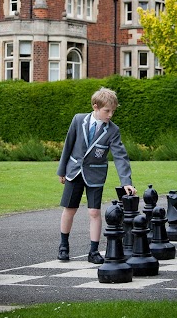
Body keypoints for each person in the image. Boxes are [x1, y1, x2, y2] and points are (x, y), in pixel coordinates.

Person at [57, 87, 136, 264]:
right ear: (95, 107)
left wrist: (126, 182)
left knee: (94, 212)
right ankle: (63, 246)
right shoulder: (78, 120)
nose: (110, 115)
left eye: (113, 111)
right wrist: (61, 171)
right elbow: (68, 144)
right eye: (107, 111)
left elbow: (120, 156)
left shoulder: (113, 130)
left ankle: (93, 251)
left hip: (96, 175)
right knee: (69, 210)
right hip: (74, 172)